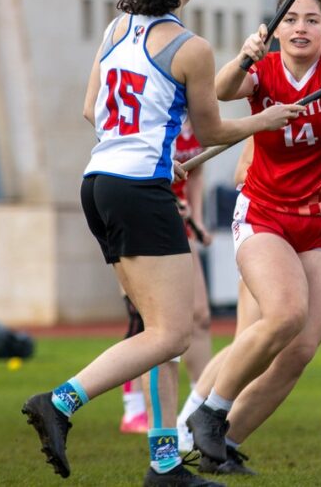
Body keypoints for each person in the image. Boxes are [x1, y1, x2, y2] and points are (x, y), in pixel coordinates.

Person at [21, 0, 301, 487]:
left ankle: (165, 464)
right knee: (172, 335)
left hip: (99, 183)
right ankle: (61, 401)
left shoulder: (115, 29)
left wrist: (157, 150)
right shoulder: (191, 49)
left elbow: (92, 110)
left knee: (157, 332)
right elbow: (212, 130)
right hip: (139, 192)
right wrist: (264, 120)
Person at [185, 0, 321, 475]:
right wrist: (245, 54)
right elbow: (220, 92)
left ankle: (222, 446)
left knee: (301, 349)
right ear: (276, 29)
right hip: (266, 215)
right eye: (291, 20)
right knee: (284, 315)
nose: (301, 28)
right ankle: (209, 413)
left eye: (312, 20)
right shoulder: (263, 72)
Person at [122, 121, 214, 441]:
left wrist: (196, 219)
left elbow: (196, 172)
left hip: (179, 224)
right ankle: (134, 407)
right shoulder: (157, 113)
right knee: (147, 320)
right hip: (144, 218)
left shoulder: (199, 117)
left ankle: (201, 404)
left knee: (199, 315)